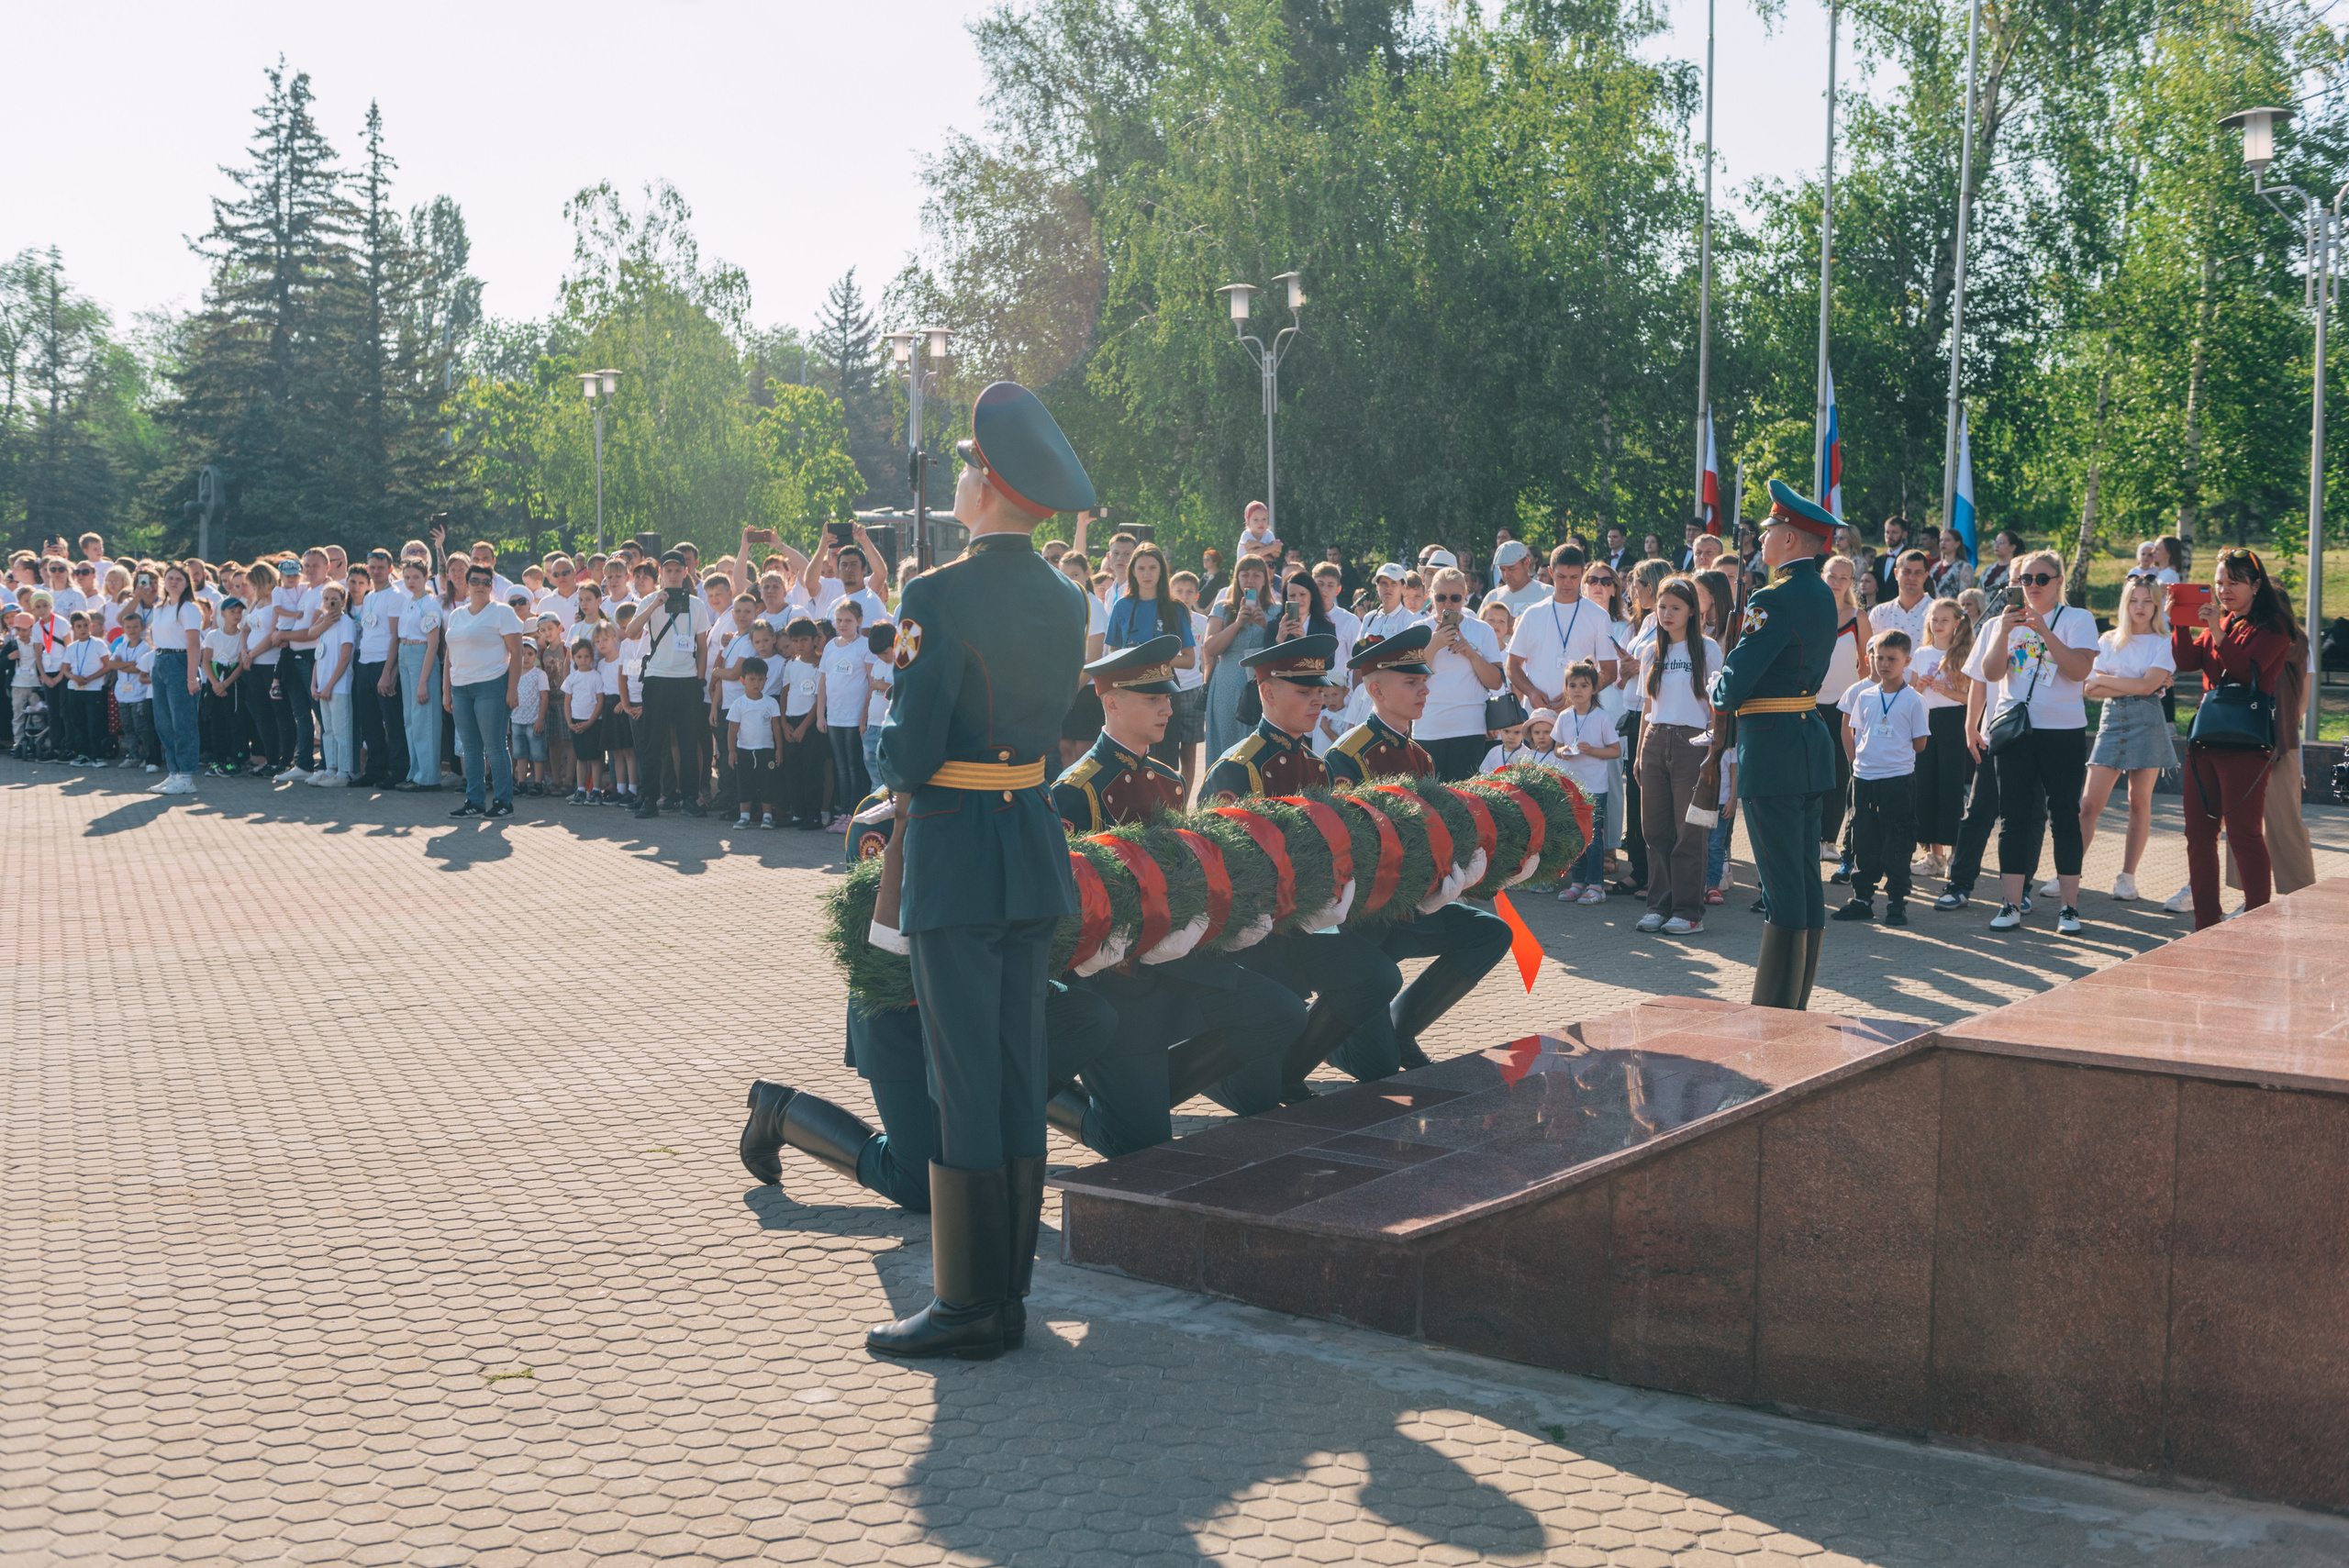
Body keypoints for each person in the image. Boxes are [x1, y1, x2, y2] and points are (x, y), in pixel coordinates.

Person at [861, 380, 1094, 1362]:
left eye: (966, 466)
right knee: (1011, 1071)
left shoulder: (934, 592)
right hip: (1030, 844)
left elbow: (907, 751)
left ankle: (967, 1306)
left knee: (963, 1080)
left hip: (956, 851)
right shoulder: (1065, 595)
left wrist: (881, 751)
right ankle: (1010, 1297)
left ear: (989, 486)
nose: (958, 478)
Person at [1046, 635, 1305, 1151]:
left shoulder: (1168, 778)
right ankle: (1055, 1099)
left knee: (1281, 1012)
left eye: (1168, 696)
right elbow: (1068, 906)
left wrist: (1220, 924)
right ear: (1111, 701)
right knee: (1138, 1143)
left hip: (1181, 960)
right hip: (1117, 977)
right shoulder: (1076, 789)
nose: (1168, 706)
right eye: (1152, 698)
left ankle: (1149, 1095)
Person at [1319, 625, 1513, 1083]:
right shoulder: (1347, 757)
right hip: (1366, 921)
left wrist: (1458, 875)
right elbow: (1349, 854)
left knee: (1489, 934)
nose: (1425, 689)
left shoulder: (1419, 756)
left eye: (1424, 680)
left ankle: (1401, 1029)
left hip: (1411, 909)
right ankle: (1326, 1038)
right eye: (1412, 682)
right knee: (1378, 1069)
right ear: (1375, 690)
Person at [1708, 479, 1839, 1009]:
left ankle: (1776, 1007)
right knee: (1803, 877)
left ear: (1790, 539)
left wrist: (1725, 672)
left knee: (1780, 884)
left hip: (1773, 750)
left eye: (1769, 531)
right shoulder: (1822, 594)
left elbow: (1732, 684)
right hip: (1807, 743)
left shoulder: (1773, 597)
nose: (1762, 539)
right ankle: (1796, 997)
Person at [1971, 549, 2099, 933]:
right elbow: (1991, 674)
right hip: (2014, 729)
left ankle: (2069, 908)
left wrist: (2043, 631)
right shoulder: (1999, 625)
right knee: (2013, 817)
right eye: (2025, 580)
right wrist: (2006, 632)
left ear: (2059, 581)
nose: (2033, 587)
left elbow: (2078, 672)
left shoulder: (2077, 619)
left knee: (2063, 814)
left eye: (2042, 579)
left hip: (2062, 731)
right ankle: (2010, 904)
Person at [2172, 547, 2296, 930]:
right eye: (2220, 582)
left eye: (2234, 583)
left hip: (2245, 742)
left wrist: (2216, 631)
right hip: (2205, 739)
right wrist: (2179, 622)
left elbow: (2244, 673)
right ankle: (2206, 923)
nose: (2224, 590)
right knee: (2198, 834)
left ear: (2256, 586)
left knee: (2243, 833)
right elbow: (2187, 663)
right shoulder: (2222, 621)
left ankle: (2258, 917)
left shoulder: (2274, 626)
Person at [2065, 575, 2176, 903]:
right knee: (2088, 805)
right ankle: (2070, 872)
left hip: (2148, 720)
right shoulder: (2108, 640)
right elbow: (2088, 687)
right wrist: (2136, 682)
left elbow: (2145, 688)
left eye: (2147, 601)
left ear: (2156, 604)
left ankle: (2127, 878)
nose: (2140, 607)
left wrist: (2109, 679)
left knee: (2138, 803)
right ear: (2124, 603)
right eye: (2134, 600)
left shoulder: (2163, 641)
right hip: (2112, 720)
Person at [1628, 579, 1720, 936]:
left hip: (1692, 743)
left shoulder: (1708, 649)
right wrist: (1639, 754)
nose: (1667, 614)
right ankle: (1658, 905)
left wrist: (1715, 754)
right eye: (1662, 606)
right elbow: (1647, 707)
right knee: (1655, 830)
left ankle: (1688, 911)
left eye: (1676, 608)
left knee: (1689, 832)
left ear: (1693, 611)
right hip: (1654, 740)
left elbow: (1717, 707)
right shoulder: (1651, 651)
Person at [1831, 630, 1932, 926]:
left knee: (1898, 840)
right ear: (1871, 659)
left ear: (1907, 661)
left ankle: (1896, 902)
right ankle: (1862, 899)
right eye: (1879, 658)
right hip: (1864, 779)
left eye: (1892, 659)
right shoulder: (1864, 696)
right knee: (1863, 839)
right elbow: (1858, 733)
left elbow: (1920, 743)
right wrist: (1859, 763)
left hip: (1897, 779)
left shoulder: (1914, 700)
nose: (1884, 664)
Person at [2227, 585, 2315, 901]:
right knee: (2241, 823)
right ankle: (2247, 897)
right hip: (2243, 739)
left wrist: (2288, 729)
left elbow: (2303, 695)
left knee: (2285, 822)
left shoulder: (2295, 640)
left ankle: (2300, 894)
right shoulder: (2241, 632)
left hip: (2281, 742)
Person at [629, 550, 717, 819]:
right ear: (662, 574)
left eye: (678, 570)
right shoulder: (649, 600)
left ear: (686, 573)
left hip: (687, 682)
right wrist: (655, 604)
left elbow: (702, 646)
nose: (674, 575)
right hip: (657, 679)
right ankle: (649, 798)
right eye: (668, 571)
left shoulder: (697, 605)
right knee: (652, 743)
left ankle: (690, 797)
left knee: (689, 743)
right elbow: (631, 632)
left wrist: (699, 679)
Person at [441, 562, 527, 819]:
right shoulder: (456, 615)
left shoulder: (502, 612)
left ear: (492, 585)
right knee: (470, 748)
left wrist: (512, 689)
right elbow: (449, 656)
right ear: (465, 585)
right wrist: (447, 692)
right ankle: (475, 802)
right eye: (475, 581)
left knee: (495, 746)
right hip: (460, 689)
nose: (480, 585)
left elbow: (518, 651)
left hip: (492, 685)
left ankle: (503, 802)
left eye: (485, 582)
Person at [1103, 543, 1197, 769]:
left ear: (1161, 572)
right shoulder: (1121, 606)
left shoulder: (1176, 608)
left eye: (1152, 568)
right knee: (1128, 756)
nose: (1147, 574)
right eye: (1141, 568)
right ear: (1132, 571)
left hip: (1164, 688)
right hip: (1130, 687)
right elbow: (1111, 654)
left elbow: (1190, 659)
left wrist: (1153, 657)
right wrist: (1133, 659)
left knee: (1163, 760)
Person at [1410, 566, 1506, 778]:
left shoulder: (1482, 630)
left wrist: (1470, 653)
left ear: (1465, 598)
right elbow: (1410, 678)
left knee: (1465, 802)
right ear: (1430, 597)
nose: (1447, 604)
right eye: (1441, 597)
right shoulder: (1418, 628)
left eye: (1455, 597)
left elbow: (1496, 682)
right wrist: (1434, 645)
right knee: (1431, 801)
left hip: (1469, 727)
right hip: (1428, 726)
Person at [1907, 598, 1975, 881]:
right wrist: (1919, 688)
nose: (1938, 625)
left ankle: (1956, 855)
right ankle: (1934, 855)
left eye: (1945, 620)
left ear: (1957, 623)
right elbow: (1909, 697)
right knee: (1926, 787)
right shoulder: (1921, 653)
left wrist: (1948, 692)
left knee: (1950, 788)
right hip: (1926, 724)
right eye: (1934, 620)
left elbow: (1973, 698)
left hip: (1954, 723)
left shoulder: (1965, 654)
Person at [1507, 546, 1620, 713]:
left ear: (1582, 574)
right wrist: (1531, 692)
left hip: (1580, 715)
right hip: (1539, 718)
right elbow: (1512, 666)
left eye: (1574, 577)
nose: (1567, 583)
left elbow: (1609, 672)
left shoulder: (1598, 616)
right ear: (1551, 572)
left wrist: (1576, 695)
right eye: (1561, 576)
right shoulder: (1532, 614)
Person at [1816, 554, 1869, 883]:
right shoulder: (1810, 611)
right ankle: (1809, 838)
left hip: (1845, 705)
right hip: (1809, 702)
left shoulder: (1858, 616)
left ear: (1851, 582)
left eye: (1843, 578)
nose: (1836, 582)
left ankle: (1828, 841)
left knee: (1839, 772)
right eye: (1831, 576)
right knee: (1809, 772)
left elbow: (1867, 664)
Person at [1550, 673, 1619, 902]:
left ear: (1593, 689)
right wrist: (1564, 752)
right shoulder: (1564, 717)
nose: (1577, 690)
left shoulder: (1601, 717)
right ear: (1566, 688)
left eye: (1584, 685)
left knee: (1593, 838)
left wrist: (1592, 751)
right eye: (1572, 685)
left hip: (1595, 787)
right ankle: (1577, 882)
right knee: (1575, 837)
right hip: (1571, 786)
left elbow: (1615, 751)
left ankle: (1596, 885)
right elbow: (1556, 747)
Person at [1200, 553, 1275, 762]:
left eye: (1256, 575)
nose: (1250, 580)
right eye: (1245, 575)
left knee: (1260, 746)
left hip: (1263, 684)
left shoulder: (1276, 610)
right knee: (1227, 744)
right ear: (1237, 578)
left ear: (1265, 579)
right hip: (1227, 685)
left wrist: (1266, 627)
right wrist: (1236, 624)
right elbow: (1210, 647)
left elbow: (1283, 649)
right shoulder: (1223, 608)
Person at [146, 563, 206, 796]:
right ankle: (173, 773)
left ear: (186, 583)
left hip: (180, 663)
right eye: (170, 578)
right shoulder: (160, 607)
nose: (173, 582)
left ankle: (186, 777)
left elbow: (194, 644)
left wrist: (191, 677)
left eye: (179, 579)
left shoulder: (188, 608)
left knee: (183, 723)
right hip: (160, 661)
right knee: (163, 722)